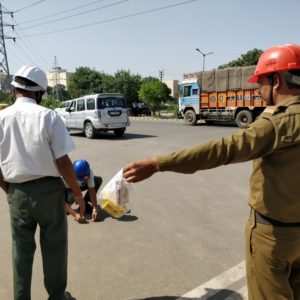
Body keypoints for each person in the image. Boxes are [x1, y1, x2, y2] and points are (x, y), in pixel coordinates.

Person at [123, 44, 300, 300]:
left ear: (275, 80)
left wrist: (158, 163)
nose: (259, 92)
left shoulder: (276, 124)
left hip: (273, 237)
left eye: (260, 83)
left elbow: (223, 149)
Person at [0, 65, 85, 300]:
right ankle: (57, 297)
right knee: (55, 248)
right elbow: (64, 163)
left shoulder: (0, 118)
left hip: (16, 192)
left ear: (15, 89)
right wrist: (78, 196)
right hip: (49, 191)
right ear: (39, 93)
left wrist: (9, 189)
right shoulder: (49, 117)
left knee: (21, 251)